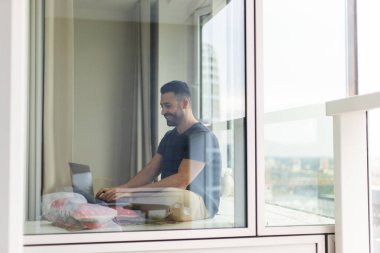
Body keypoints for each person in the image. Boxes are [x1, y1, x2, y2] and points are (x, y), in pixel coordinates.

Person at [96, 80, 221, 221]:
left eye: (168, 106)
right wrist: (121, 189)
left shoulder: (202, 136)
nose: (163, 112)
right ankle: (115, 205)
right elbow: (150, 172)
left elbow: (181, 181)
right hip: (169, 198)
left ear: (185, 103)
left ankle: (129, 206)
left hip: (196, 203)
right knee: (155, 196)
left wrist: (131, 192)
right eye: (162, 106)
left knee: (173, 196)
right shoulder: (169, 136)